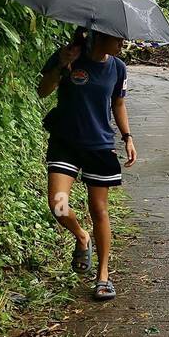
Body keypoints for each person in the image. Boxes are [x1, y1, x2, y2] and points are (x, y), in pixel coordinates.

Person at [38, 29, 137, 301]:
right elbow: (43, 91)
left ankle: (103, 277)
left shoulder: (118, 67)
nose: (122, 43)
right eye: (117, 38)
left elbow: (118, 103)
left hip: (100, 145)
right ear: (100, 36)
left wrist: (127, 137)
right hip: (65, 142)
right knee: (58, 205)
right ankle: (82, 237)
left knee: (99, 210)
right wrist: (61, 65)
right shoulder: (69, 57)